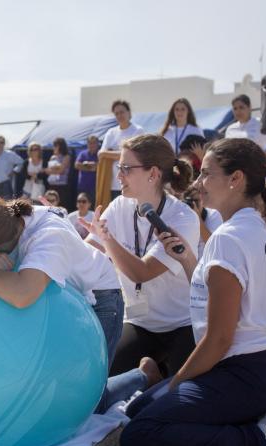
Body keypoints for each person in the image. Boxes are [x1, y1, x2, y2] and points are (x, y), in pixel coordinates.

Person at [119, 137, 266, 446]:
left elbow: (218, 339)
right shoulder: (254, 227)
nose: (199, 183)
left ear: (235, 179)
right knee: (139, 408)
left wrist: (178, 383)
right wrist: (189, 259)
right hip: (260, 369)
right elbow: (213, 296)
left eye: (207, 174)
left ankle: (264, 439)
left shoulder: (229, 238)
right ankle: (258, 416)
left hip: (245, 372)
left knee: (139, 434)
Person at [0, 195, 161, 414]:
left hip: (97, 300)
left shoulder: (49, 236)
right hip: (51, 298)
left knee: (84, 403)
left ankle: (144, 374)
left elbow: (22, 295)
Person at [80, 134, 199, 379]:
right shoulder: (120, 205)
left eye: (125, 168)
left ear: (153, 174)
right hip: (139, 323)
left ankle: (158, 373)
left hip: (183, 324)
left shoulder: (182, 217)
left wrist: (107, 239)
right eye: (118, 167)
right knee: (101, 376)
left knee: (177, 392)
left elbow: (142, 272)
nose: (118, 175)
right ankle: (151, 374)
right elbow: (90, 250)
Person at [99, 100, 145, 203]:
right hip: (112, 184)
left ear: (129, 113)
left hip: (131, 183)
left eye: (122, 112)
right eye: (117, 113)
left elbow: (134, 155)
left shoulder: (138, 130)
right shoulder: (111, 132)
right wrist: (122, 153)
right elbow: (100, 154)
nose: (120, 115)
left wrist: (109, 153)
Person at [224, 94, 266, 158]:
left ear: (249, 107)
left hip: (254, 166)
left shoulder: (260, 124)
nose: (238, 111)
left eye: (241, 107)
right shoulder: (230, 129)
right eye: (235, 108)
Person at [181, 185, 222, 258]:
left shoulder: (214, 215)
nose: (193, 204)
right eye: (190, 201)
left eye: (196, 200)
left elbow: (213, 244)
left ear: (202, 200)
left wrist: (198, 217)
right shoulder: (183, 218)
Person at [46, 137, 72, 211]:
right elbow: (48, 170)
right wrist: (56, 168)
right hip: (52, 185)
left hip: (62, 186)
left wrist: (54, 169)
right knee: (51, 206)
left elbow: (61, 170)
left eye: (55, 145)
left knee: (62, 206)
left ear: (60, 146)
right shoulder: (52, 157)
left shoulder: (66, 156)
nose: (54, 147)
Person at [75, 135, 100, 201]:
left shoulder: (100, 154)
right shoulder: (83, 153)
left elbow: (100, 166)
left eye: (94, 142)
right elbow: (77, 165)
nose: (92, 145)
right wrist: (91, 168)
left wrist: (85, 165)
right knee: (82, 204)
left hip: (95, 187)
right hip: (82, 186)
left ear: (97, 143)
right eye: (90, 143)